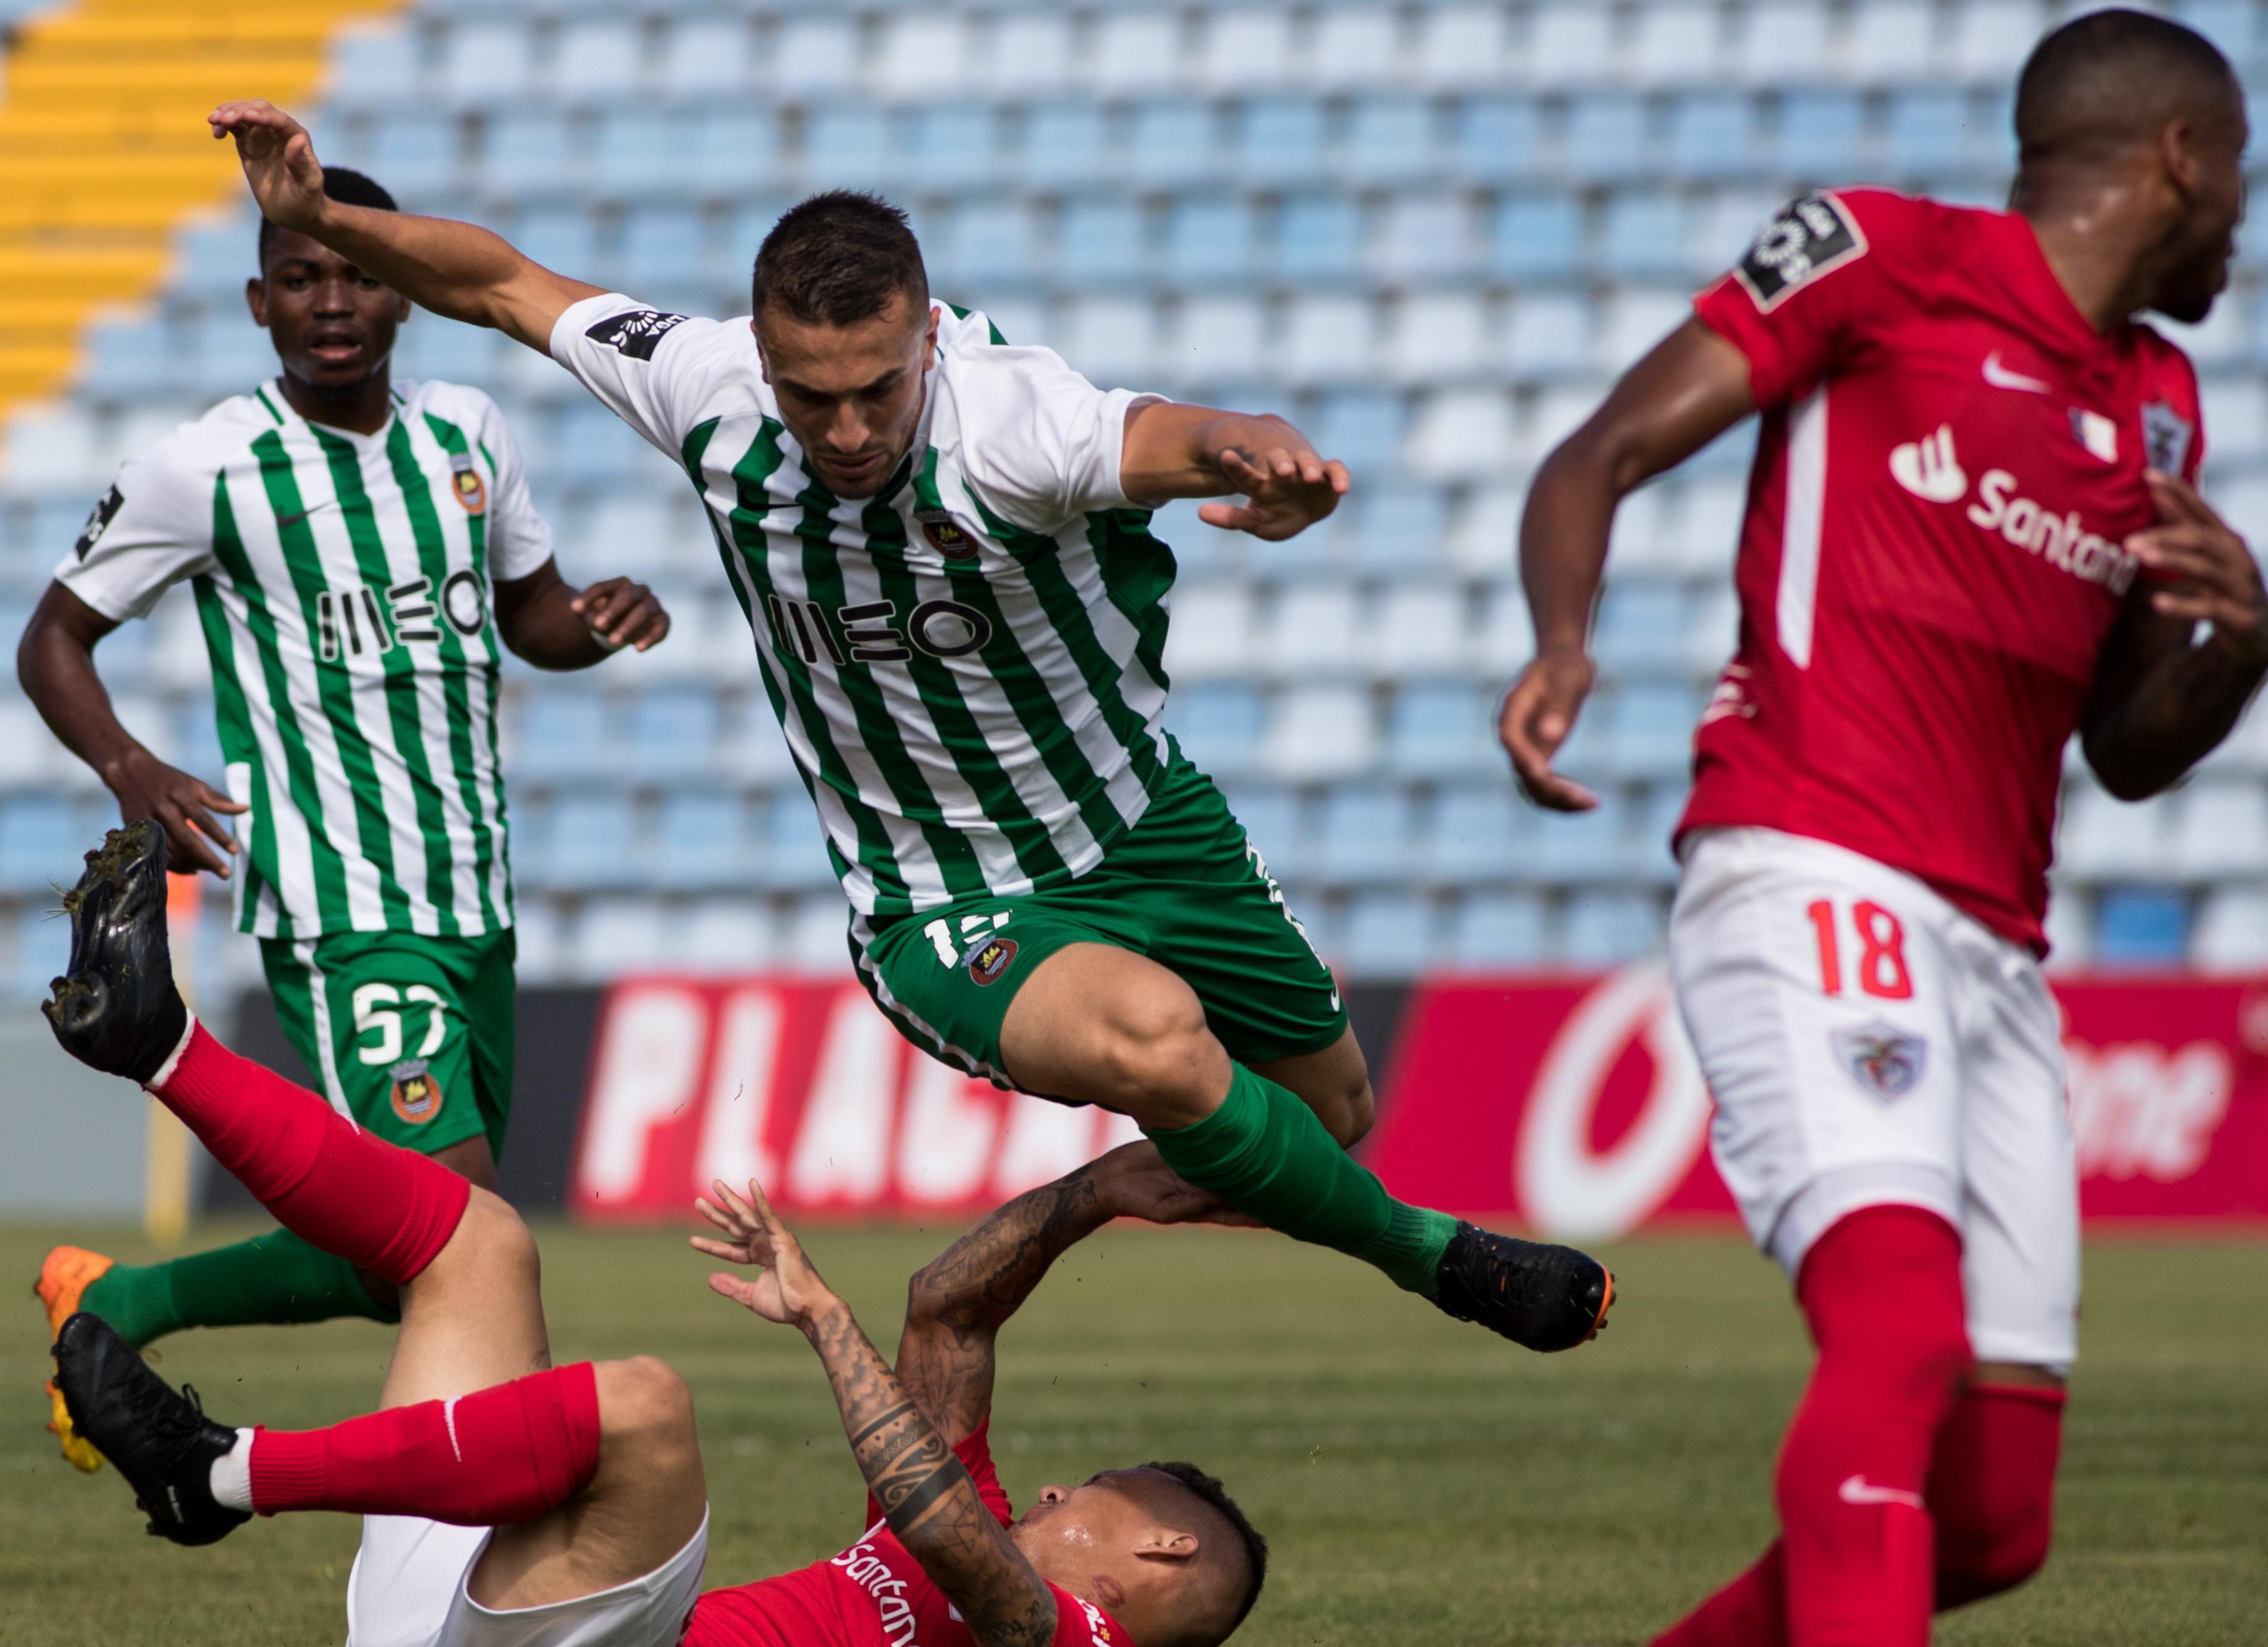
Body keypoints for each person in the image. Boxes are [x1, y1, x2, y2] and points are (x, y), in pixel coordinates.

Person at [199, 99, 1615, 1356]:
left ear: (927, 338)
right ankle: (1438, 1257)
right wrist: (323, 217)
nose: (847, 430)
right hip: (940, 896)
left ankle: (1095, 1197)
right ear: (760, 356)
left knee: (1326, 1118)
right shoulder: (703, 388)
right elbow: (503, 284)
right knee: (1162, 1047)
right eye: (809, 395)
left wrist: (1258, 457)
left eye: (878, 389)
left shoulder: (1010, 423)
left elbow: (1168, 437)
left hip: (1147, 824)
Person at [1497, 15, 2262, 1647]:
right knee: (1897, 1328)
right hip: (1808, 859)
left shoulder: (2160, 405)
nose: (2243, 217)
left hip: (1996, 946)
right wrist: (1565, 642)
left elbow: (2125, 750)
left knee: (1994, 1515)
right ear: (2177, 156)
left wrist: (2243, 643)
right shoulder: (1880, 257)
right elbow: (1599, 450)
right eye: (2237, 173)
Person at [39, 818, 1270, 1647]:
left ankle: (225, 1476)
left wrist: (820, 1319)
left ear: (1164, 1551)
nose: (1054, 1490)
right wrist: (1099, 1190)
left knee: (645, 1409)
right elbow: (948, 1311)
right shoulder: (978, 1552)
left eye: (1092, 1493)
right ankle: (163, 1044)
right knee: (476, 1243)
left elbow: (940, 1523)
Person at [13, 165, 671, 1469]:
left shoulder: (468, 435)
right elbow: (52, 640)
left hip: (474, 903)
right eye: (301, 276)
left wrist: (596, 620)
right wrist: (133, 769)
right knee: (472, 1235)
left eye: (359, 273)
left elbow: (530, 616)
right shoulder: (208, 468)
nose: (331, 301)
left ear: (404, 292)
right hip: (339, 908)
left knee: (398, 1257)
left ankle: (117, 1302)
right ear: (258, 301)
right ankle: (508, 1525)